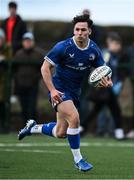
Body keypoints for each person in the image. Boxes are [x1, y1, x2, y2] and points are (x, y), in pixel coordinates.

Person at [18, 15, 113, 172]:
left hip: (75, 92)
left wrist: (108, 80)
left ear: (89, 31)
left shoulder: (94, 50)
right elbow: (44, 68)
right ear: (73, 30)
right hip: (59, 89)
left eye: (83, 29)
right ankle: (78, 160)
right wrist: (52, 90)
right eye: (77, 29)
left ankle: (33, 128)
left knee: (61, 132)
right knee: (74, 119)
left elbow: (103, 70)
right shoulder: (63, 47)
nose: (80, 32)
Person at [14, 32, 44, 125]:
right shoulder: (18, 54)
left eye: (29, 41)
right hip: (21, 84)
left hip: (32, 85)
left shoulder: (38, 54)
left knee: (32, 107)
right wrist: (17, 80)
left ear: (32, 42)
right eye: (25, 41)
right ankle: (25, 126)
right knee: (23, 106)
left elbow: (43, 68)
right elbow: (14, 69)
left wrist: (36, 78)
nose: (27, 43)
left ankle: (32, 126)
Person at [0, 28, 10, 132]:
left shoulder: (7, 50)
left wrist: (4, 59)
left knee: (3, 104)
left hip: (4, 83)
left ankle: (3, 126)